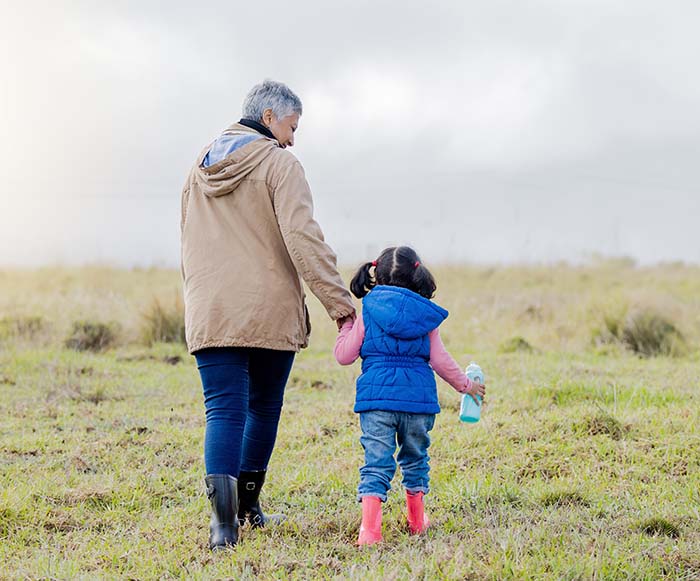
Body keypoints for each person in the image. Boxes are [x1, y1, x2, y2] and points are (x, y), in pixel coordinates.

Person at [180, 80, 355, 550]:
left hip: (210, 308)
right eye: (292, 127)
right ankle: (248, 510)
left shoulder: (198, 167)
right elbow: (305, 239)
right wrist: (340, 304)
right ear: (271, 115)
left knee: (223, 410)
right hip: (267, 310)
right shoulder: (280, 164)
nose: (293, 138)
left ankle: (223, 528)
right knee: (261, 407)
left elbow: (188, 242)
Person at [334, 246, 486, 546]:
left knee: (376, 463)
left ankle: (370, 531)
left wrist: (346, 327)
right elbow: (441, 361)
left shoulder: (369, 311)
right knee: (416, 458)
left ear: (377, 274)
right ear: (417, 274)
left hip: (377, 403)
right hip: (418, 403)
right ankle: (417, 521)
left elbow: (344, 355)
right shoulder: (424, 316)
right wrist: (466, 386)